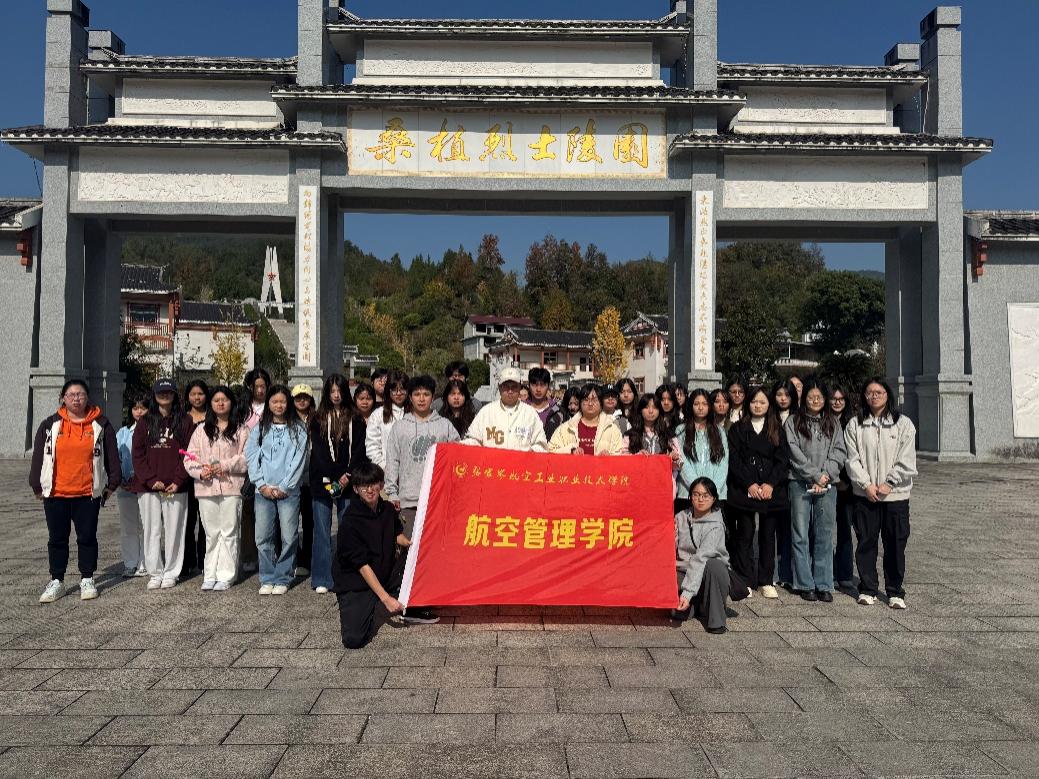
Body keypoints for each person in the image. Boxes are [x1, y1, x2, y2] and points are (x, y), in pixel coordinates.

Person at [30, 379, 120, 603]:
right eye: (71, 395)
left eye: (80, 394)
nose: (76, 398)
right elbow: (39, 455)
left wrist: (112, 483)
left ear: (87, 397)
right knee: (57, 538)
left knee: (87, 537)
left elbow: (111, 455)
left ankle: (87, 578)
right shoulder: (50, 424)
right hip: (56, 493)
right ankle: (57, 580)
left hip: (87, 493)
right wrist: (36, 484)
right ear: (63, 398)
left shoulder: (101, 424)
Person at [384, 375, 459, 624]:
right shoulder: (400, 427)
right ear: (410, 397)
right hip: (409, 500)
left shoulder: (445, 426)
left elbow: (457, 457)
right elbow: (392, 461)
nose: (421, 399)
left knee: (433, 553)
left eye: (426, 394)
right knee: (409, 551)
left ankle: (425, 599)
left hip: (438, 501)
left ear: (433, 397)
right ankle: (407, 602)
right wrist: (392, 492)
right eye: (417, 394)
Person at [844, 378, 917, 609]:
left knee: (895, 543)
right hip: (865, 495)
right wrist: (866, 484)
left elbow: (907, 459)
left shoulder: (903, 424)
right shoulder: (855, 424)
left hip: (895, 496)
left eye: (879, 392)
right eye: (869, 392)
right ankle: (868, 588)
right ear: (864, 396)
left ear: (888, 395)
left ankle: (895, 591)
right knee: (866, 542)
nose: (874, 396)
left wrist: (889, 483)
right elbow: (851, 459)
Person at [784, 378, 847, 602]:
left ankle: (823, 583)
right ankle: (804, 583)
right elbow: (793, 452)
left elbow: (839, 451)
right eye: (811, 397)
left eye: (819, 397)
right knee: (800, 533)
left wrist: (825, 475)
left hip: (827, 484)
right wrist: (814, 475)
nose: (815, 400)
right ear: (804, 398)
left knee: (824, 534)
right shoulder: (793, 421)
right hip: (799, 482)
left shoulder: (833, 422)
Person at [332, 463, 407, 649]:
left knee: (414, 560)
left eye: (373, 484)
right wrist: (385, 599)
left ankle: (395, 595)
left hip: (384, 573)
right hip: (357, 582)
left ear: (381, 485)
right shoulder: (350, 521)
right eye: (364, 486)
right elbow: (362, 565)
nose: (370, 490)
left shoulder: (388, 509)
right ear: (356, 489)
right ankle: (374, 599)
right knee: (354, 640)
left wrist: (415, 545)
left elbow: (397, 535)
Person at [725, 387, 790, 600]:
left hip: (771, 490)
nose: (758, 406)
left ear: (769, 404)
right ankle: (745, 578)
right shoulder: (737, 429)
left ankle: (765, 580)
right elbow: (733, 459)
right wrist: (749, 484)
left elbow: (782, 459)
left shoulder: (776, 429)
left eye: (762, 402)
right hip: (744, 489)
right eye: (754, 401)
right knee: (744, 534)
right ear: (748, 403)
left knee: (767, 536)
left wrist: (770, 484)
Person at [183, 385, 249, 591]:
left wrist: (225, 465)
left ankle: (226, 574)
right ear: (211, 404)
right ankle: (210, 573)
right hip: (206, 487)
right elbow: (189, 458)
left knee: (229, 532)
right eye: (216, 400)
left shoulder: (241, 429)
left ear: (231, 402)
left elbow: (246, 458)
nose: (221, 403)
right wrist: (200, 472)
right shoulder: (201, 430)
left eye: (224, 400)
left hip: (231, 487)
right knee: (211, 533)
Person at [246, 384, 308, 596]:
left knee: (289, 537)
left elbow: (299, 461)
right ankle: (267, 576)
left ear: (288, 403)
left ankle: (283, 577)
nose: (279, 405)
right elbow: (251, 457)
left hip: (288, 493)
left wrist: (285, 486)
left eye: (282, 401)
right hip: (263, 491)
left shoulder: (298, 429)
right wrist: (261, 484)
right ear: (268, 403)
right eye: (274, 401)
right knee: (262, 537)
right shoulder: (260, 429)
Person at [133, 378, 194, 590]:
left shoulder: (185, 420)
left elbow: (189, 453)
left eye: (169, 392)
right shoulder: (145, 421)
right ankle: (155, 572)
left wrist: (178, 480)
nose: (165, 395)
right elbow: (138, 455)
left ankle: (171, 572)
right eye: (161, 392)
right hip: (148, 487)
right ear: (154, 395)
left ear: (175, 395)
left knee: (175, 530)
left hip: (175, 486)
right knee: (151, 530)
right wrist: (151, 480)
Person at [309, 374, 368, 594]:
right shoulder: (318, 418)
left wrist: (347, 475)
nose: (336, 395)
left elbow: (360, 449)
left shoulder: (356, 418)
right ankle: (322, 577)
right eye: (332, 391)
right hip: (322, 480)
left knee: (346, 528)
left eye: (340, 390)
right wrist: (334, 477)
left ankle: (345, 574)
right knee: (321, 530)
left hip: (348, 481)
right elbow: (319, 452)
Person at [674, 477, 737, 634]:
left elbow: (700, 558)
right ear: (690, 496)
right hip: (684, 571)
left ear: (714, 498)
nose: (700, 499)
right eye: (696, 494)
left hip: (710, 574)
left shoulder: (716, 525)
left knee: (713, 565)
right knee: (676, 613)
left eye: (705, 495)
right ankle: (697, 604)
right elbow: (670, 549)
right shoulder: (681, 517)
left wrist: (687, 593)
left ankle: (716, 620)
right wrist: (671, 534)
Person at [464, 367, 548, 451]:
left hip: (522, 459)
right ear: (499, 387)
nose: (510, 391)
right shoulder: (486, 412)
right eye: (506, 386)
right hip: (491, 459)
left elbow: (541, 444)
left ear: (520, 387)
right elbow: (472, 439)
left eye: (514, 387)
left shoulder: (530, 413)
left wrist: (532, 451)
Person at [673, 389, 729, 514]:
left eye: (704, 404)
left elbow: (723, 463)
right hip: (688, 494)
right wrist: (697, 490)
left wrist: (711, 490)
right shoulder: (681, 431)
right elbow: (683, 462)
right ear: (690, 406)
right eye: (696, 404)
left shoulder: (719, 431)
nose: (700, 407)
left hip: (715, 494)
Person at [240, 368, 270, 575]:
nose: (260, 390)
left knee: (269, 514)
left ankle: (269, 554)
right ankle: (249, 555)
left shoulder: (273, 404)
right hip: (247, 464)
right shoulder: (243, 408)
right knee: (248, 512)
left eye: (263, 386)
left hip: (269, 463)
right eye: (256, 386)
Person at [116, 393, 149, 578]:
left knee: (147, 525)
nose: (139, 412)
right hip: (126, 486)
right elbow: (116, 458)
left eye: (143, 408)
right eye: (135, 408)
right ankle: (130, 562)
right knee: (128, 526)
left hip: (147, 486)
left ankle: (145, 562)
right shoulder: (123, 433)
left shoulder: (154, 430)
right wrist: (119, 479)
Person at [181, 379, 209, 579]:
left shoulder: (212, 416)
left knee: (206, 520)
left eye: (200, 394)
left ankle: (205, 560)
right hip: (186, 474)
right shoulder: (182, 418)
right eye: (193, 394)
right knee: (187, 520)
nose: (197, 398)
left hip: (207, 474)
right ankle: (187, 561)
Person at [548, 383, 624, 455]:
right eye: (586, 400)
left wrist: (610, 456)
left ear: (601, 403)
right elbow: (551, 450)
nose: (590, 404)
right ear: (580, 403)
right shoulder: (566, 428)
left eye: (594, 400)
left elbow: (621, 455)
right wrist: (571, 450)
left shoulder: (612, 429)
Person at [829, 384, 856, 590]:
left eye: (841, 399)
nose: (837, 402)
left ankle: (845, 573)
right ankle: (827, 571)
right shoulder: (823, 421)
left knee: (845, 529)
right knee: (823, 531)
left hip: (847, 486)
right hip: (826, 482)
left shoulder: (852, 423)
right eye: (834, 398)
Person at [291, 384, 316, 578]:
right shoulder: (288, 420)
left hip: (311, 479)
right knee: (289, 524)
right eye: (298, 397)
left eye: (305, 397)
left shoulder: (317, 420)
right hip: (291, 480)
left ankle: (307, 559)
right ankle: (293, 558)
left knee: (309, 523)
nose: (301, 401)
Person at [366, 370, 408, 468]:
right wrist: (383, 466)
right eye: (394, 389)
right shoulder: (378, 414)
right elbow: (372, 446)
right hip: (385, 470)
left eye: (402, 389)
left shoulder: (415, 413)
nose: (398, 393)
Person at [525, 367, 559, 434]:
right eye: (534, 385)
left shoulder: (557, 410)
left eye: (542, 385)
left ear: (548, 386)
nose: (538, 389)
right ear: (529, 385)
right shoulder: (522, 409)